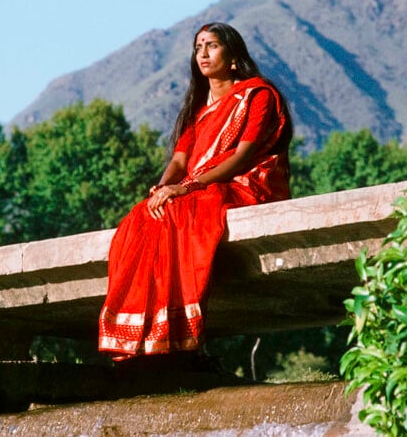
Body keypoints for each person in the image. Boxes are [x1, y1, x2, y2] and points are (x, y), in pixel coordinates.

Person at [98, 22, 293, 366]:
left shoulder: (257, 95)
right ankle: (143, 340)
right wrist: (162, 188)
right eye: (198, 46)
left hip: (245, 184)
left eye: (212, 45)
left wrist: (185, 187)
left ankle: (182, 338)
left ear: (233, 57)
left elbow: (242, 157)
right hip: (200, 187)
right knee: (142, 217)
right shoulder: (200, 110)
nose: (202, 53)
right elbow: (179, 160)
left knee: (182, 211)